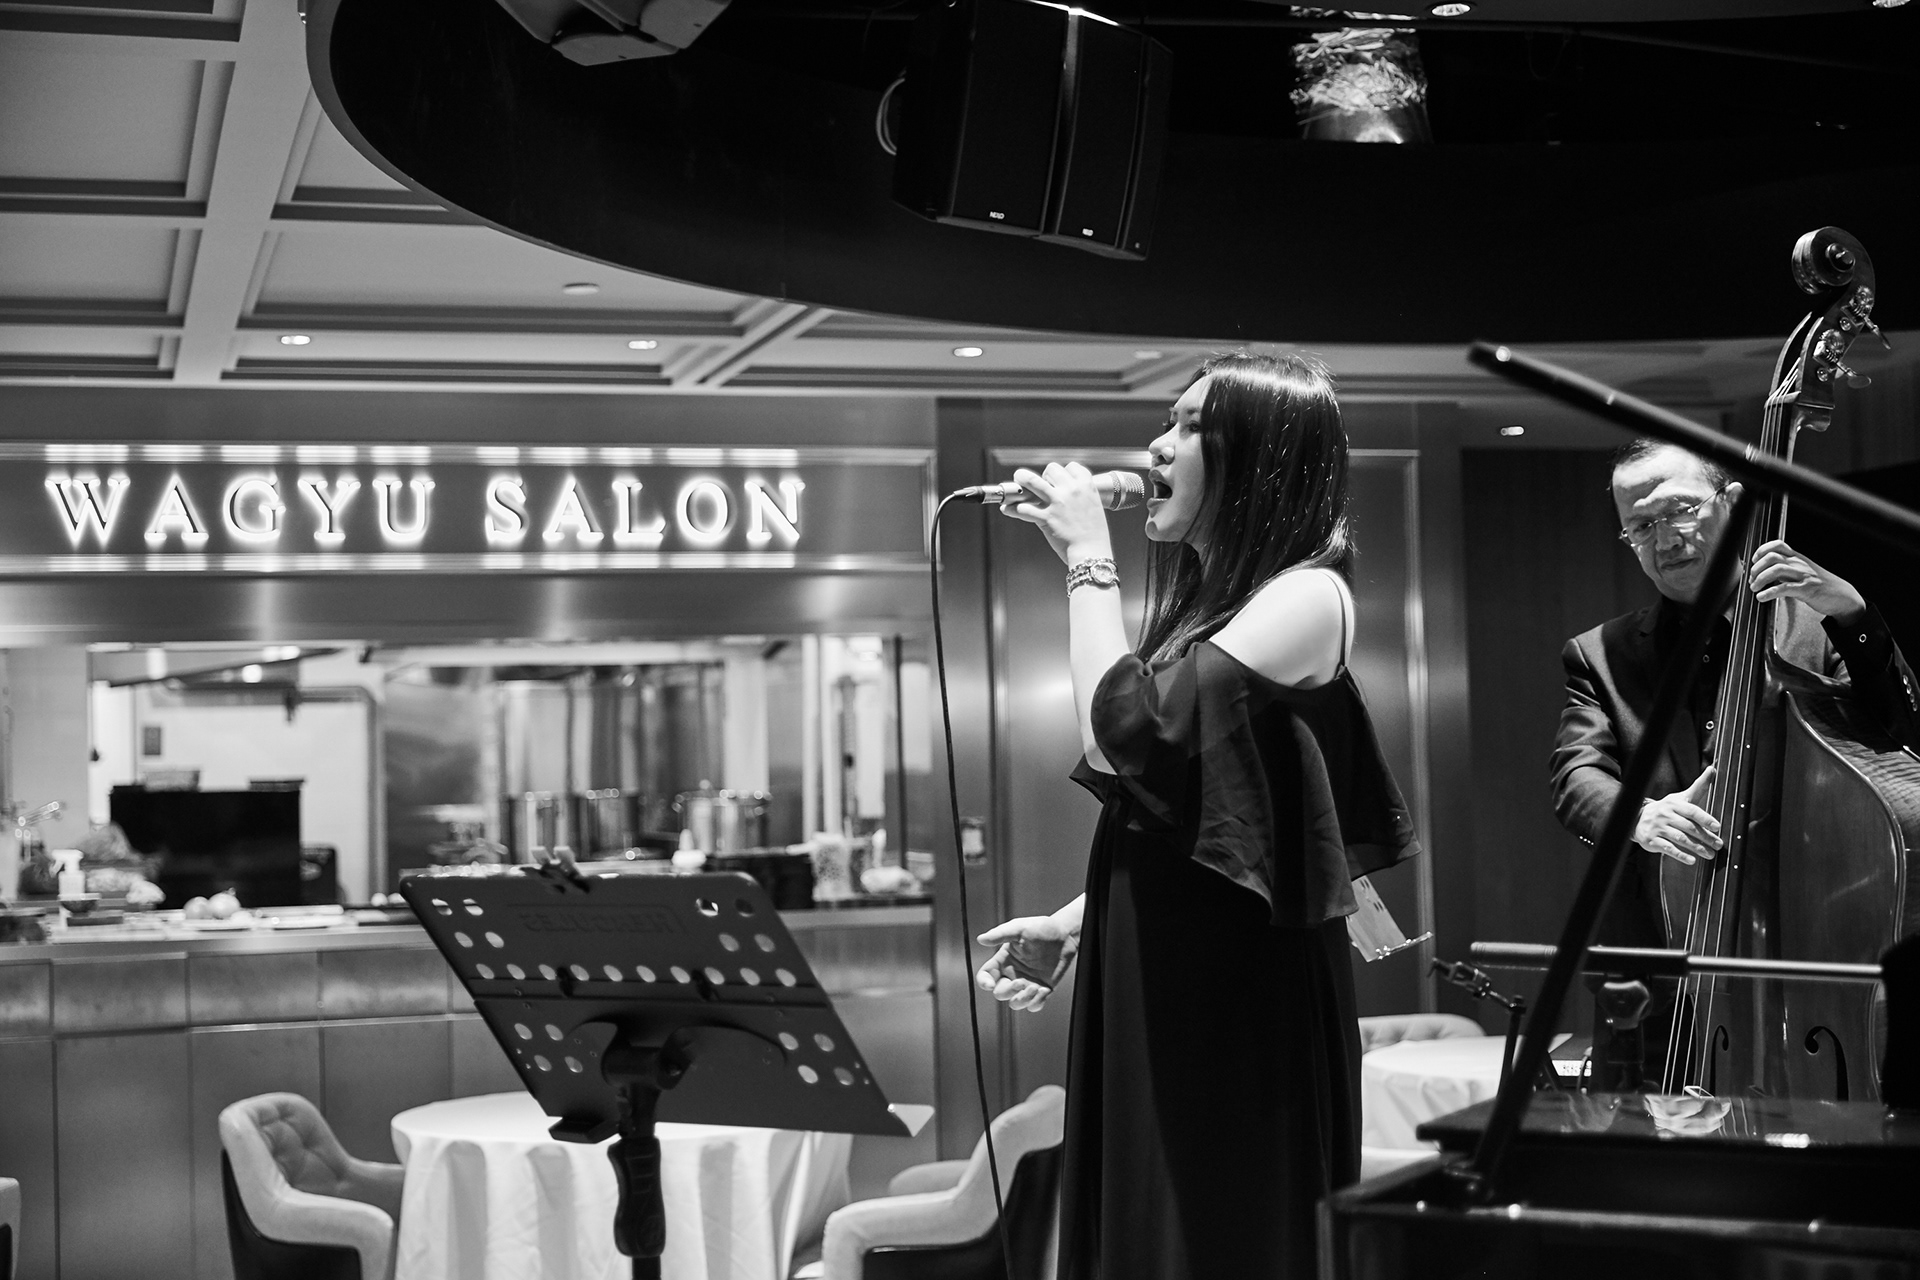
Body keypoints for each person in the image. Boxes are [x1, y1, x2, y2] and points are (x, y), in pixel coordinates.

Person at [973, 353, 1421, 1280]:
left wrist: (1089, 562)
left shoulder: (1308, 594)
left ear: (1259, 454)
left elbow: (1119, 740)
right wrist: (1074, 923)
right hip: (1167, 974)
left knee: (1212, 1237)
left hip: (1233, 1003)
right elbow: (1206, 822)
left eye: (1186, 425)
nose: (1156, 445)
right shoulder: (1220, 612)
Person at [1550, 439, 1920, 1079]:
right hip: (1661, 973)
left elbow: (1901, 732)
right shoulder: (1599, 655)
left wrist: (1855, 614)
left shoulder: (1820, 625)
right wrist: (1640, 816)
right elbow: (1575, 774)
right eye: (1640, 526)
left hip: (1810, 958)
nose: (1665, 539)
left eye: (1679, 510)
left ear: (1733, 503)